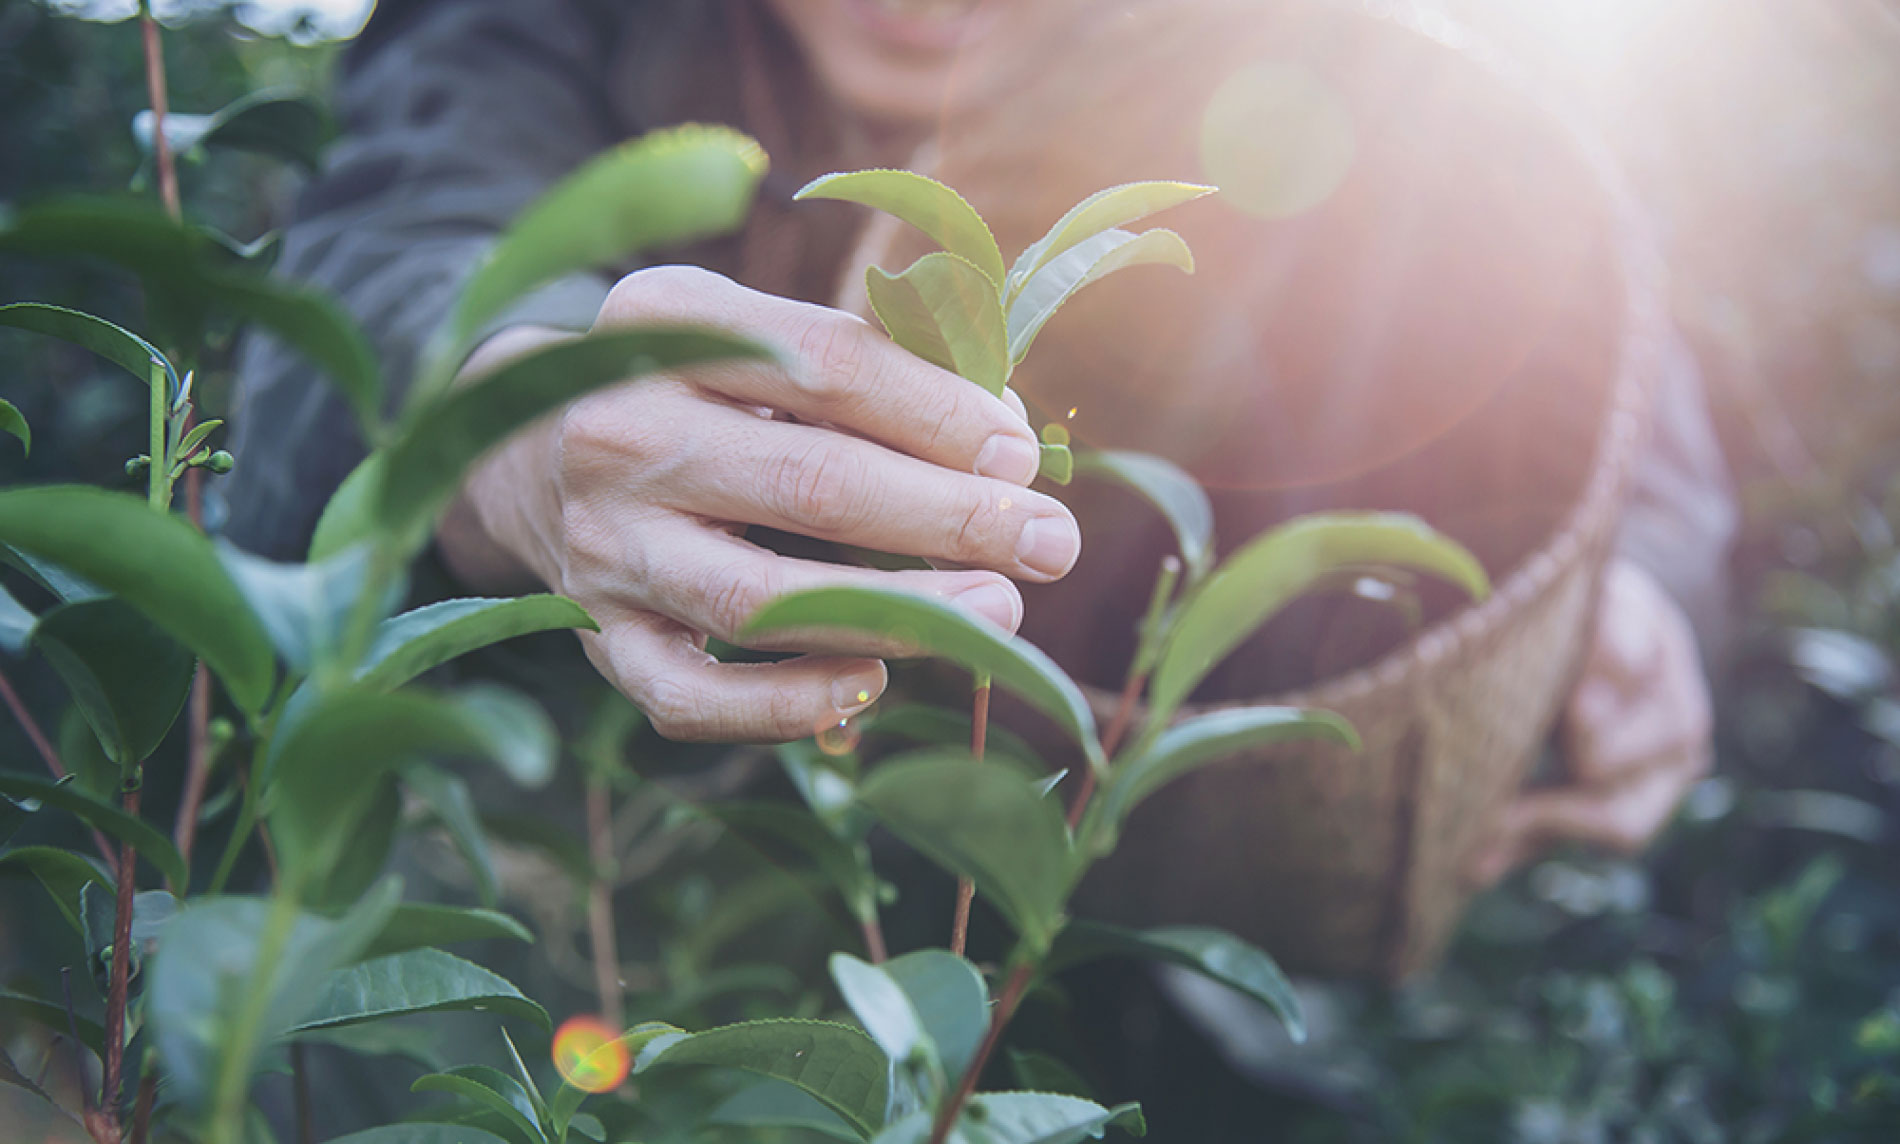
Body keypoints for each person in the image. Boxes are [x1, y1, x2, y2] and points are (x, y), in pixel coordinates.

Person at [222, 0, 1731, 915]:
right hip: (626, 834)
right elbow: (388, 249)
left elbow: (1581, 319)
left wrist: (1642, 591)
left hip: (1118, 876)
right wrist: (522, 417)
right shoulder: (536, 30)